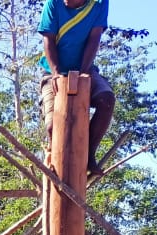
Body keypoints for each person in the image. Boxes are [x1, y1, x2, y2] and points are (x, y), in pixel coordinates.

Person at [39, 0, 115, 176]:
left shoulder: (99, 3)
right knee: (52, 126)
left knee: (106, 99)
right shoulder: (53, 3)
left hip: (85, 68)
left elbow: (94, 39)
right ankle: (55, 166)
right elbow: (48, 39)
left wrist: (83, 73)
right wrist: (56, 73)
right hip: (52, 72)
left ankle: (89, 155)